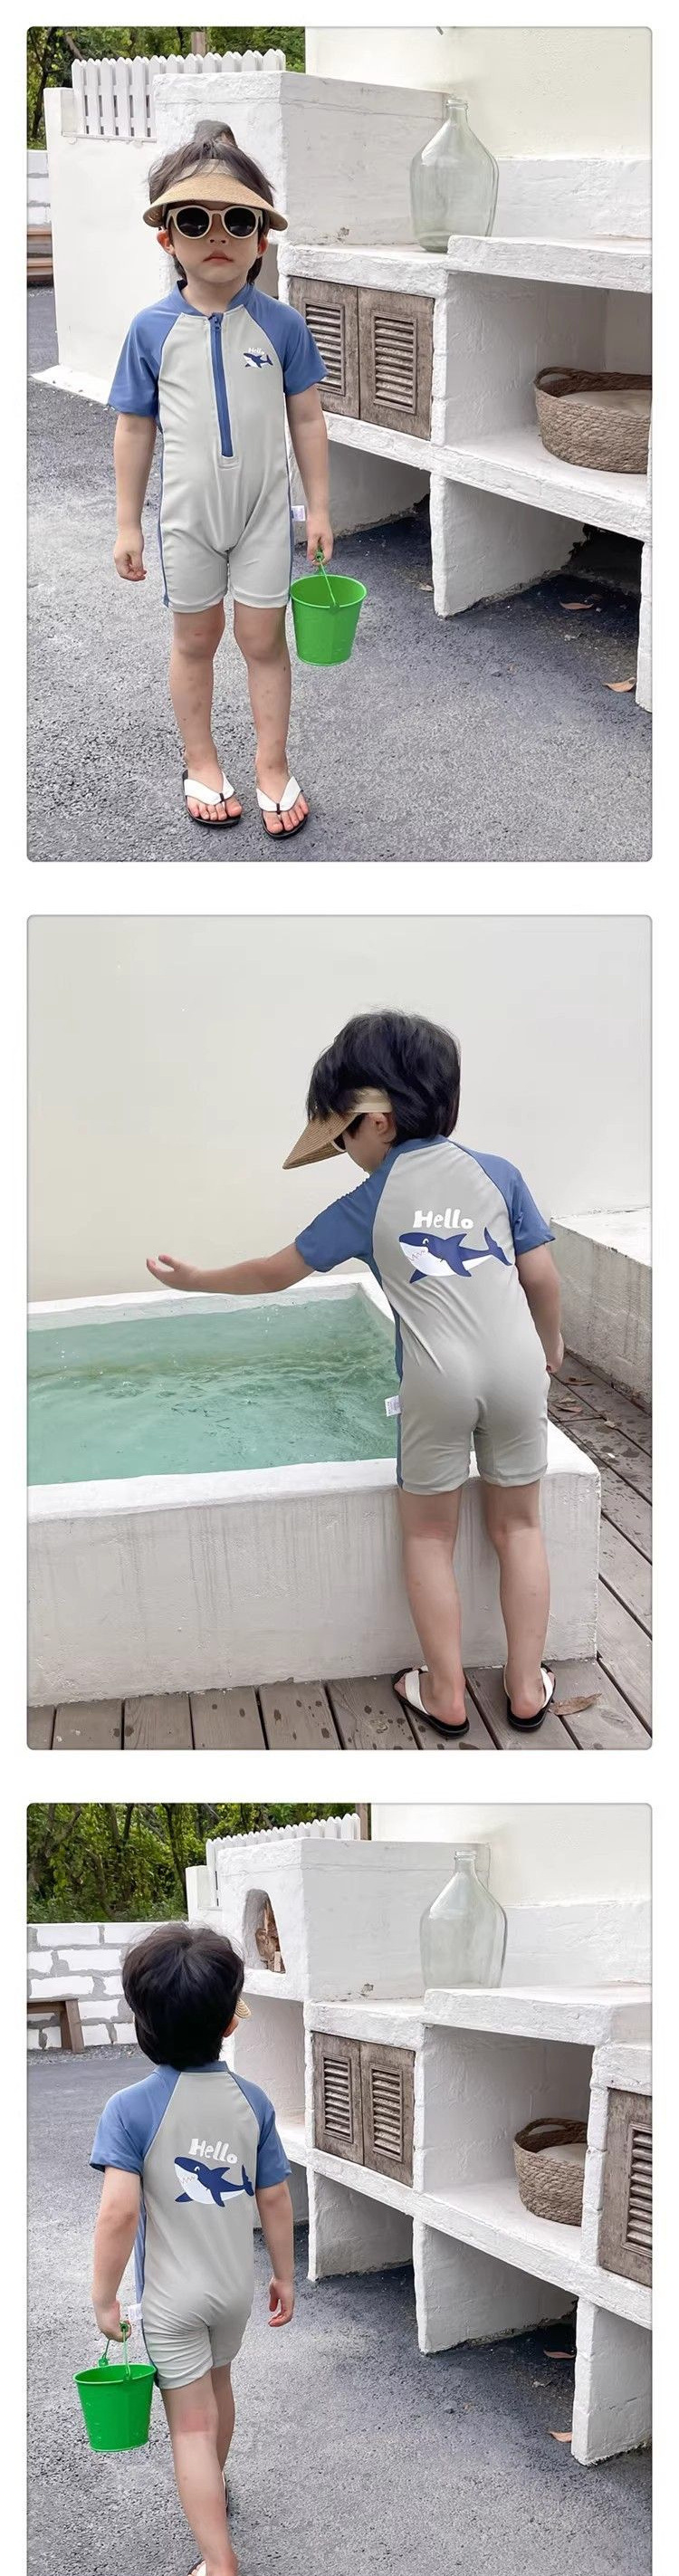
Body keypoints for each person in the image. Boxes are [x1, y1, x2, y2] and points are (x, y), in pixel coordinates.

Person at [146, 1009, 565, 1737]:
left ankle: (446, 1692)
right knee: (521, 1525)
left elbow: (273, 1272)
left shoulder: (367, 1202)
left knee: (429, 1537)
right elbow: (543, 1278)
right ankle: (527, 1687)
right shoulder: (500, 1175)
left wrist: (196, 1280)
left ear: (377, 1121)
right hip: (519, 1370)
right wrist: (550, 1345)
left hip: (436, 1379)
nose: (343, 1150)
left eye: (342, 1135)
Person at [110, 119, 332, 839]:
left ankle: (272, 763)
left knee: (264, 640)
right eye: (194, 219)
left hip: (264, 515)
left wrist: (320, 508)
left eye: (238, 219)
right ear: (166, 237)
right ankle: (201, 761)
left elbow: (308, 420)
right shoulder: (150, 330)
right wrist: (127, 522)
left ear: (261, 240)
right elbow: (134, 428)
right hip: (189, 519)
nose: (217, 235)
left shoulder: (282, 326)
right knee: (196, 639)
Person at [90, 1922, 294, 2576]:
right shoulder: (253, 2100)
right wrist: (286, 2276)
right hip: (233, 2289)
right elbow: (275, 2197)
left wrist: (104, 2296)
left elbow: (118, 2213)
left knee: (190, 2426)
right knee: (219, 2389)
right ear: (229, 2020)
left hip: (172, 2300)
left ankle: (221, 2571)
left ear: (143, 2023)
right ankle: (215, 2485)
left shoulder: (130, 2108)